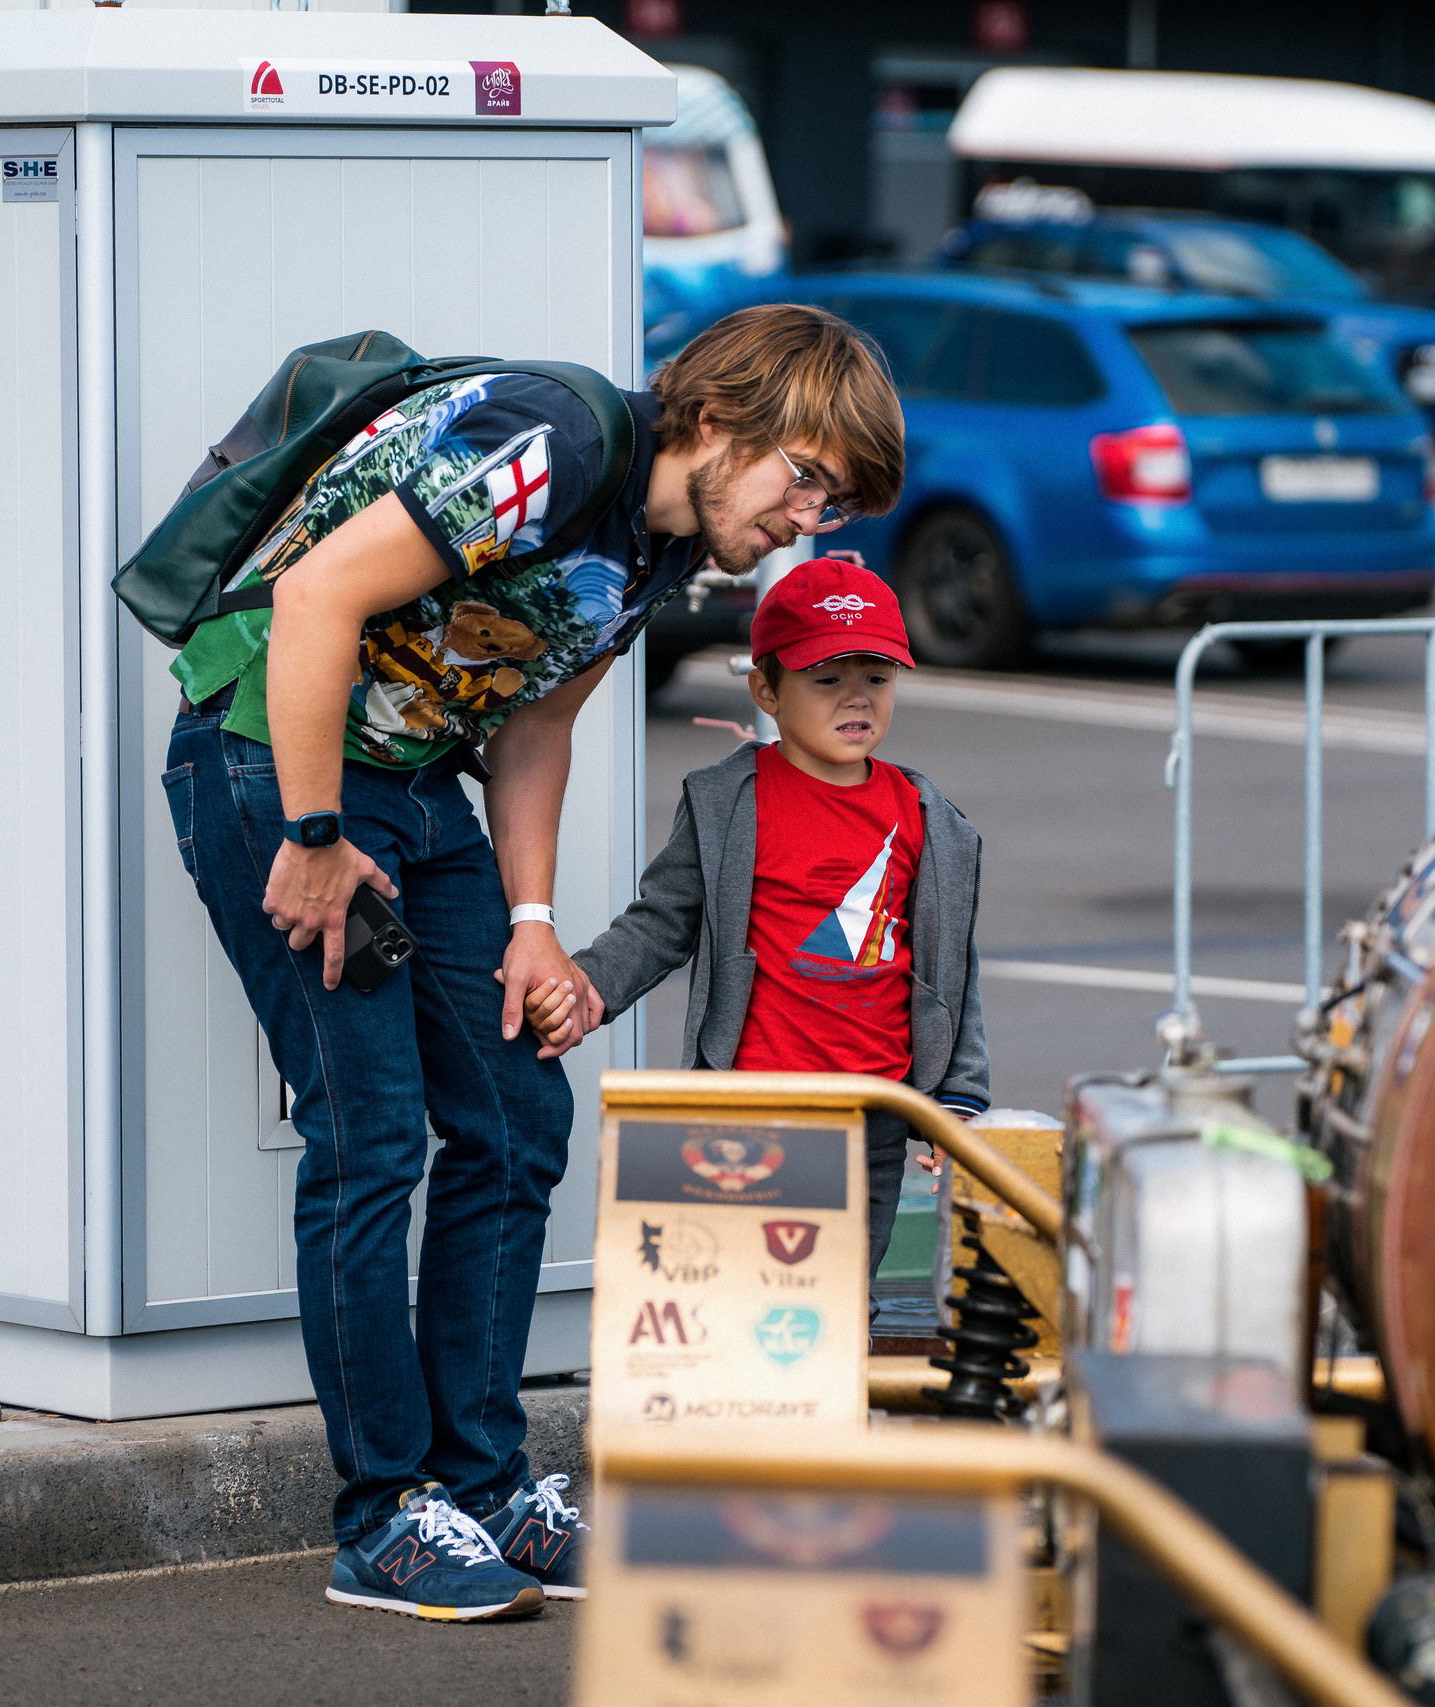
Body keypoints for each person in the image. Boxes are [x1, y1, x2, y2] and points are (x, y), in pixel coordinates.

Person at [159, 305, 904, 1620]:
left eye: (832, 503)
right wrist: (313, 834)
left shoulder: (662, 548)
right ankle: (383, 1514)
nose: (808, 520)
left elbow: (534, 723)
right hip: (274, 759)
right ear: (717, 420)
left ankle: (486, 1484)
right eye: (804, 479)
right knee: (369, 1130)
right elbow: (317, 594)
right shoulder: (553, 445)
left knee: (514, 1115)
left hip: (413, 781)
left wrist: (531, 919)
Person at [532, 555, 991, 1284]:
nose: (857, 698)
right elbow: (660, 922)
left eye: (877, 677)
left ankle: (845, 1364)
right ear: (766, 690)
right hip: (751, 1111)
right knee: (741, 1296)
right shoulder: (727, 802)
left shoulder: (927, 816)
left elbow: (951, 968)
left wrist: (958, 1101)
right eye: (827, 678)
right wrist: (586, 987)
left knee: (841, 1302)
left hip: (873, 1114)